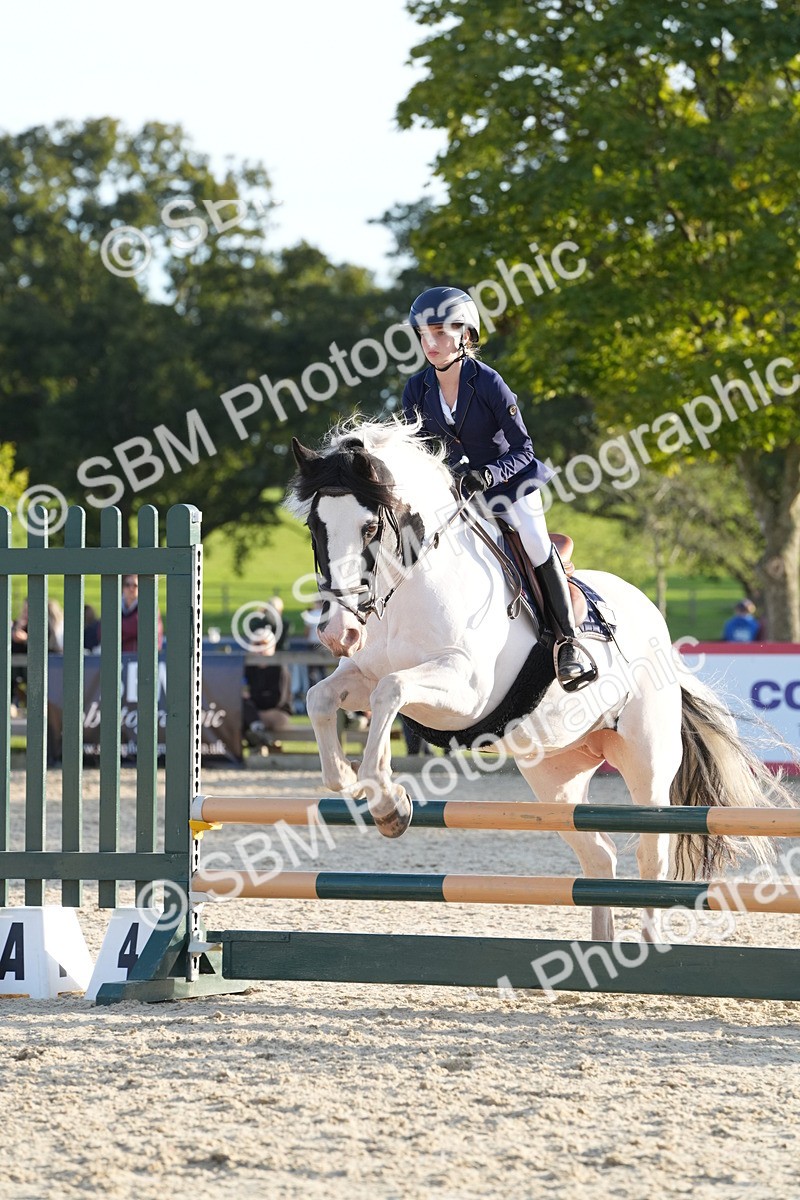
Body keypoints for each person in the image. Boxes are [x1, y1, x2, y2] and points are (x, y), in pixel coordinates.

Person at [402, 285, 594, 689]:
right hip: (458, 491)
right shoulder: (416, 389)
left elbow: (525, 448)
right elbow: (416, 451)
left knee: (536, 541)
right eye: (423, 334)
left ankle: (568, 642)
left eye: (440, 333)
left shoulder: (487, 381)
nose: (430, 343)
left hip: (511, 484)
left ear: (465, 335)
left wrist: (489, 475)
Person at [242, 627, 292, 752]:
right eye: (256, 644)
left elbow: (277, 700)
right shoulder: (249, 667)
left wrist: (252, 697)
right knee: (241, 711)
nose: (260, 647)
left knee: (246, 716)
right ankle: (262, 739)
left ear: (272, 646)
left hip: (277, 712)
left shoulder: (279, 668)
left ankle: (259, 738)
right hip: (254, 711)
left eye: (264, 643)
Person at [96, 575, 164, 653]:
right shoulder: (114, 605)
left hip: (143, 655)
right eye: (127, 585)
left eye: (135, 585)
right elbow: (103, 631)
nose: (131, 589)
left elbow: (142, 629)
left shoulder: (149, 606)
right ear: (122, 587)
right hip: (118, 656)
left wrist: (117, 631)